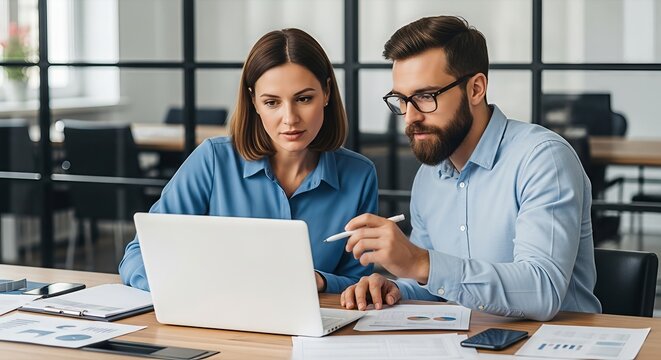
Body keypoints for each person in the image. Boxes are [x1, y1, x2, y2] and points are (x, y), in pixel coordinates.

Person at [339, 16, 602, 321]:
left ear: (476, 89)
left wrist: (421, 263)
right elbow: (436, 286)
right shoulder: (429, 176)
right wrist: (397, 288)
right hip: (468, 342)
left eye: (425, 97)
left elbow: (542, 289)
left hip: (557, 345)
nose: (409, 117)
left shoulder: (542, 159)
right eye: (401, 99)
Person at [119, 28, 378, 294]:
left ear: (326, 93)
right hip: (217, 322)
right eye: (272, 102)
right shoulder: (213, 160)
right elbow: (138, 255)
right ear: (254, 101)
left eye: (303, 99)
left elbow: (359, 282)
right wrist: (186, 290)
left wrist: (321, 281)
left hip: (313, 328)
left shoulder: (359, 175)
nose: (290, 118)